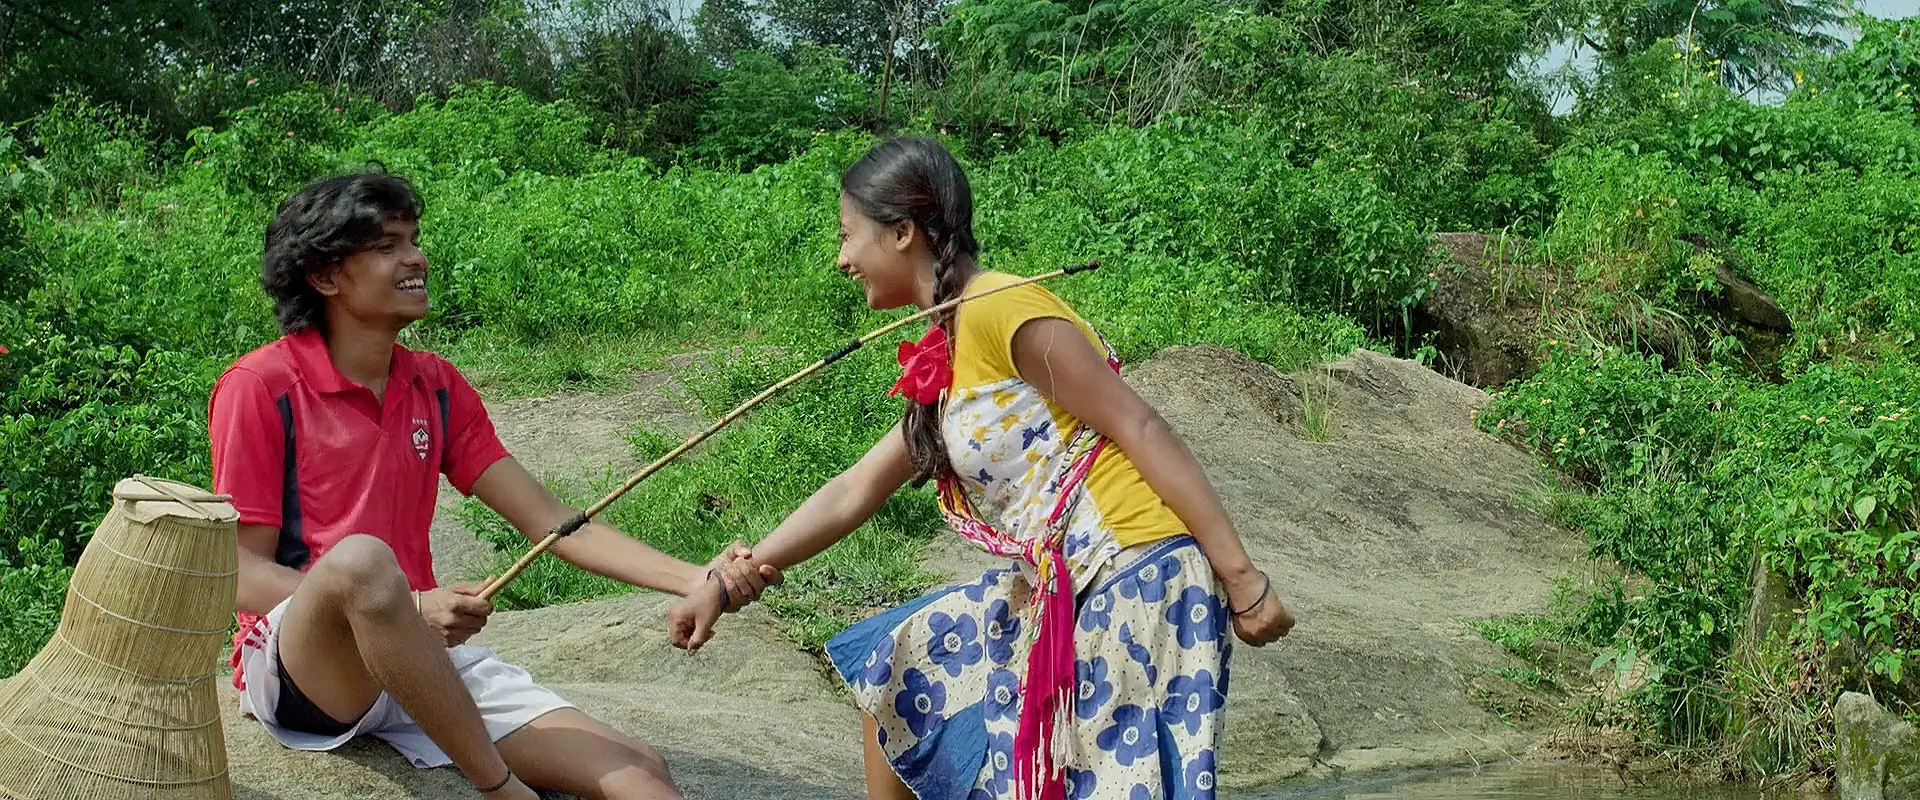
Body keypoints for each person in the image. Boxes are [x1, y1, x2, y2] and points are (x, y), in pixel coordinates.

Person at [666, 137, 1296, 800]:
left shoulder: (1000, 305)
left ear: (902, 232)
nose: (841, 258)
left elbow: (1138, 425)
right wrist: (724, 583)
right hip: (1060, 586)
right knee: (898, 661)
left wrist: (1243, 579)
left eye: (848, 235)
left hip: (1134, 570)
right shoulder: (949, 349)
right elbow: (855, 488)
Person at [210, 171, 780, 800]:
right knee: (363, 564)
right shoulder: (261, 387)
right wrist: (412, 606)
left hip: (417, 654)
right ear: (323, 277)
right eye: (387, 246)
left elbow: (552, 521)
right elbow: (239, 572)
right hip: (309, 667)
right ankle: (501, 788)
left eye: (414, 239)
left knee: (639, 772)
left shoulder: (435, 385)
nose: (416, 258)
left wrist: (696, 577)